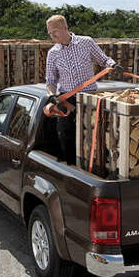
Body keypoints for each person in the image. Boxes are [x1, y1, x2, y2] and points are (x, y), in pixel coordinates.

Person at [45, 15, 123, 165]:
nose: (52, 36)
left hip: (90, 98)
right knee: (65, 135)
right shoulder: (52, 53)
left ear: (65, 28)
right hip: (67, 100)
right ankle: (70, 168)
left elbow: (104, 60)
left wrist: (113, 65)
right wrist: (52, 95)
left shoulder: (86, 42)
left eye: (55, 31)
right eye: (49, 33)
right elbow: (50, 81)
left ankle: (96, 167)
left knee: (93, 135)